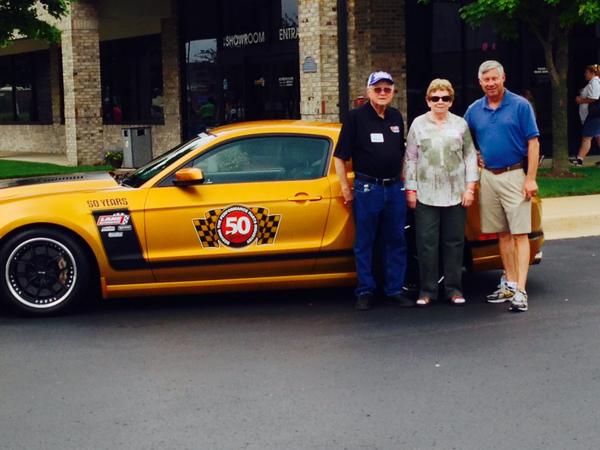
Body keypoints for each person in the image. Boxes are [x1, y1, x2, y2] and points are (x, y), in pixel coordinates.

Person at [464, 60, 540, 313]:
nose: (491, 83)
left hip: (515, 175)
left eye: (494, 78)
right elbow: (462, 136)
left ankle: (521, 291)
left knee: (520, 234)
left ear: (503, 78)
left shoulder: (520, 106)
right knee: (502, 234)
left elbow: (533, 143)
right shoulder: (475, 110)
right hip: (488, 177)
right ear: (480, 82)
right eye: (486, 80)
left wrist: (530, 178)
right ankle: (509, 284)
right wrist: (475, 153)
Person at [334, 71, 412, 311]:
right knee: (365, 241)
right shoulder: (355, 117)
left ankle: (395, 289)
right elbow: (340, 157)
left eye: (387, 89)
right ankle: (365, 290)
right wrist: (346, 189)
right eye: (377, 89)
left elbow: (402, 153)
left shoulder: (396, 117)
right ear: (369, 91)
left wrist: (404, 181)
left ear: (393, 92)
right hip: (368, 188)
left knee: (396, 240)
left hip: (394, 188)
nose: (382, 93)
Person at [404, 79, 479, 306]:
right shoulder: (418, 124)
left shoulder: (460, 124)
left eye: (445, 98)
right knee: (426, 243)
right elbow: (410, 158)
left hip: (455, 194)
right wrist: (411, 189)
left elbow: (470, 156)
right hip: (426, 194)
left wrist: (470, 188)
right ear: (428, 100)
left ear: (451, 101)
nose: (440, 102)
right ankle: (427, 290)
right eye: (435, 98)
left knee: (454, 243)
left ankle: (454, 289)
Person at [570, 64, 600, 166]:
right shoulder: (593, 82)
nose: (585, 74)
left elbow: (594, 97)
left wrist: (581, 100)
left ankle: (579, 160)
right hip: (595, 115)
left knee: (586, 137)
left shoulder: (595, 82)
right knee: (598, 136)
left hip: (593, 115)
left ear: (592, 73)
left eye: (586, 72)